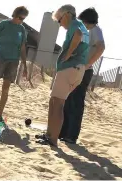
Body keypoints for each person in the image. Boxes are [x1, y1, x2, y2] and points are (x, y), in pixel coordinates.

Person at [35, 4, 90, 147]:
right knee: (55, 101)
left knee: (57, 104)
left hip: (69, 69)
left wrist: (68, 54)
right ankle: (49, 134)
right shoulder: (83, 27)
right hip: (78, 69)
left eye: (59, 20)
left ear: (66, 15)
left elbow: (77, 35)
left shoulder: (75, 25)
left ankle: (52, 139)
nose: (60, 25)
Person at [60, 8, 105, 144]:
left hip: (83, 70)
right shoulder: (87, 31)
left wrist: (87, 65)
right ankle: (64, 132)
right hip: (75, 68)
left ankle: (71, 136)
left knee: (76, 102)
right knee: (68, 101)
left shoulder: (95, 30)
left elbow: (101, 47)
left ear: (87, 21)